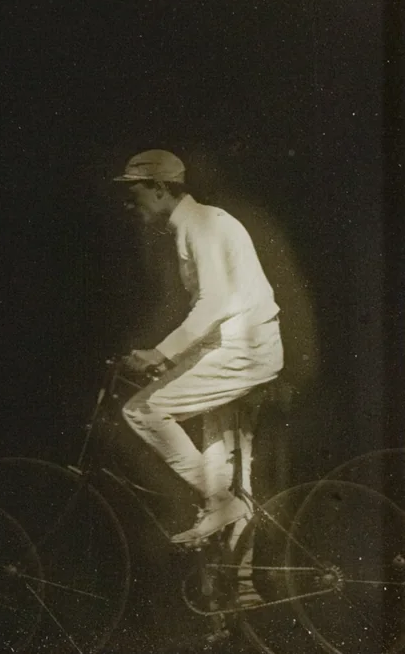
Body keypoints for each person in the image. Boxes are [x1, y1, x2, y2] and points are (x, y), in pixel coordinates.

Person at [114, 149, 283, 547]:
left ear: (158, 189)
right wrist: (177, 360)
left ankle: (220, 502)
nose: (128, 201)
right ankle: (238, 583)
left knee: (142, 410)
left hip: (244, 351)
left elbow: (216, 302)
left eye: (133, 190)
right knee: (223, 465)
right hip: (236, 348)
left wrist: (162, 355)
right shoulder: (196, 224)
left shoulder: (202, 225)